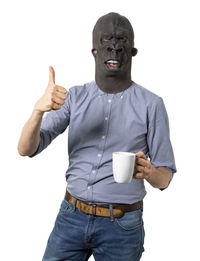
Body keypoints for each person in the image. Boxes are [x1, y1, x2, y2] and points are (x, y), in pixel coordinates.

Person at [18, 12, 177, 261]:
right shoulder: (74, 97)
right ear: (94, 51)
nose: (114, 47)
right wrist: (38, 110)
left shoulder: (152, 104)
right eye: (106, 41)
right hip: (71, 216)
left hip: (122, 227)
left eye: (122, 40)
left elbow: (165, 178)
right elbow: (26, 149)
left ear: (132, 51)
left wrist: (149, 173)